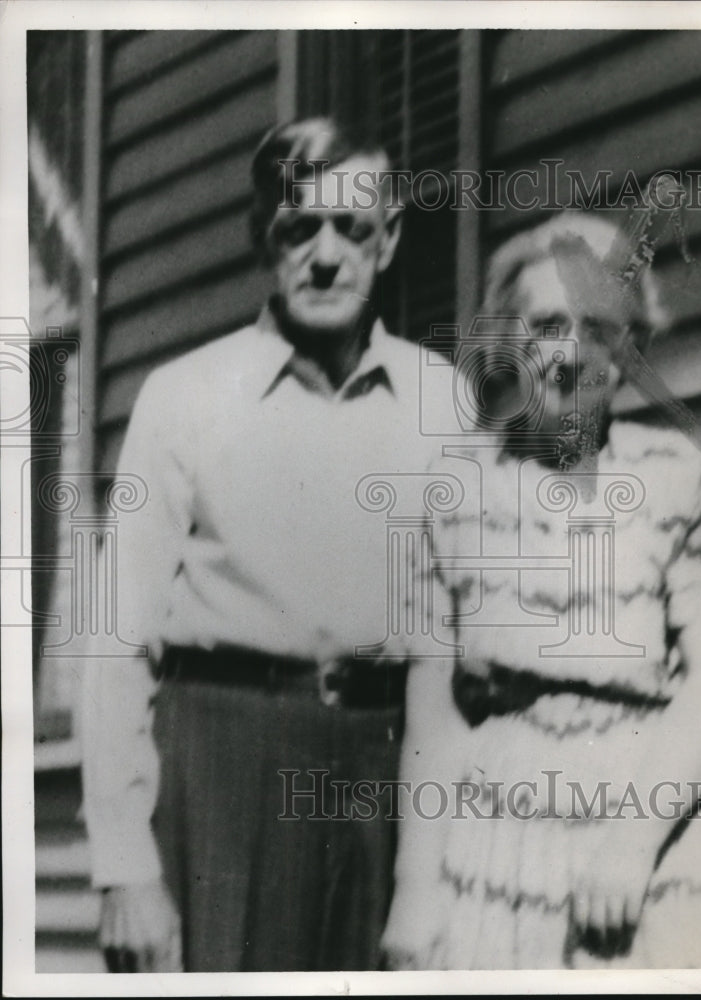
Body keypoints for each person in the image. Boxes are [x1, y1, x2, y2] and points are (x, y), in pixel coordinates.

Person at [80, 117, 447, 972]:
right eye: (298, 228)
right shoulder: (183, 398)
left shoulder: (443, 403)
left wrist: (424, 877)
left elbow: (443, 646)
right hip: (220, 763)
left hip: (378, 764)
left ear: (387, 240)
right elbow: (113, 640)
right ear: (261, 240)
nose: (325, 255)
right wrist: (123, 866)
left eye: (352, 228)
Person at [382, 211, 701, 969]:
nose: (572, 353)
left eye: (601, 328)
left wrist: (634, 841)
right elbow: (435, 703)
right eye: (548, 323)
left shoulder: (676, 480)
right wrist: (415, 892)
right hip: (495, 840)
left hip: (645, 822)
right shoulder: (458, 494)